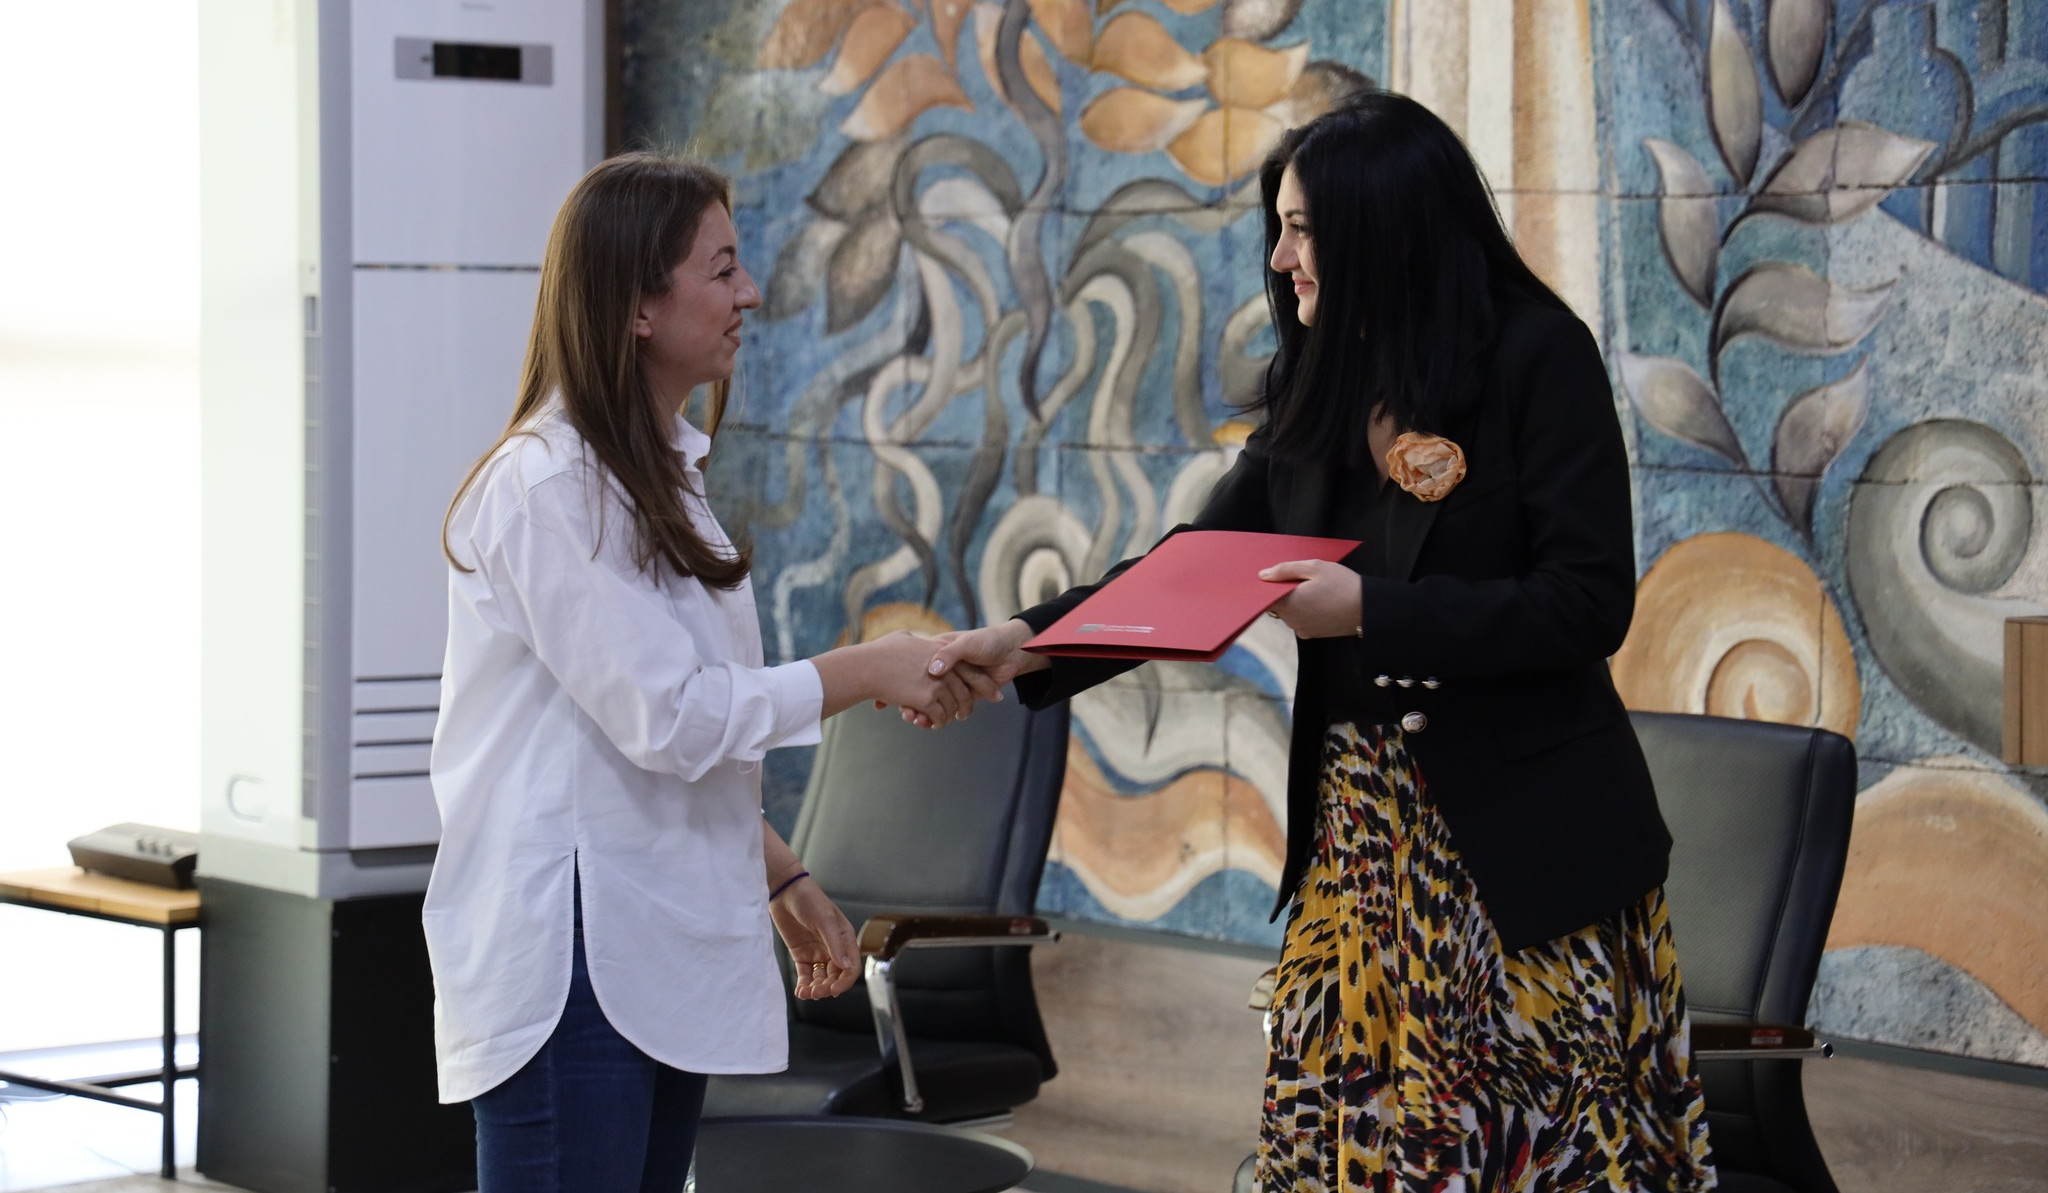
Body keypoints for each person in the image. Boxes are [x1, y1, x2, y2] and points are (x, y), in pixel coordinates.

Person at [925, 93, 1716, 1191]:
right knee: (1346, 1149)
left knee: (1526, 1158)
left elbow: (1586, 602)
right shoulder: (1322, 374)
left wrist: (1373, 611)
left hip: (1526, 860)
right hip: (1362, 856)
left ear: (1384, 228)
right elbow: (1197, 564)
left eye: (1303, 228)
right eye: (1282, 227)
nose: (1280, 256)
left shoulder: (1538, 355)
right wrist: (1025, 641)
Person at [424, 152, 995, 1193]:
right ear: (637, 306)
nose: (751, 293)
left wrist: (775, 869)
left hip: (652, 945)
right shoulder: (545, 486)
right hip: (571, 963)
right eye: (722, 269)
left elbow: (634, 738)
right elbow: (671, 716)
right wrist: (868, 668)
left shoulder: (657, 475)